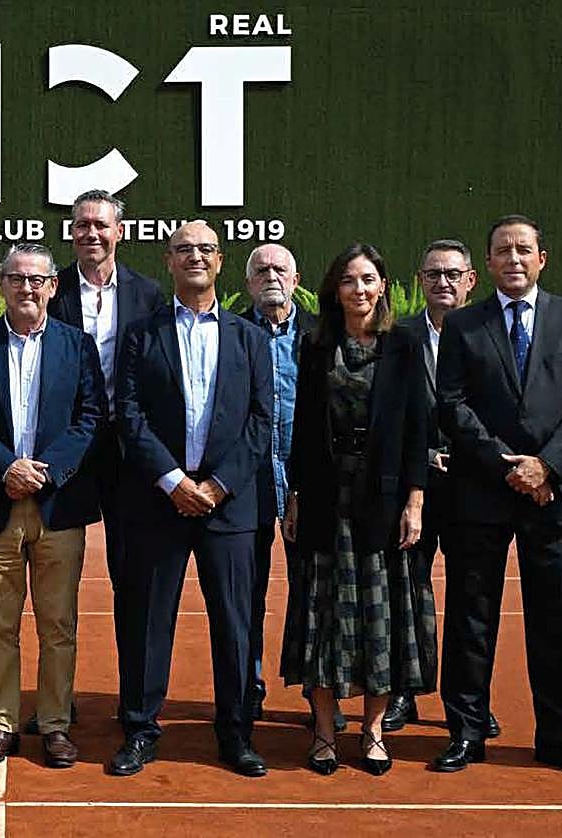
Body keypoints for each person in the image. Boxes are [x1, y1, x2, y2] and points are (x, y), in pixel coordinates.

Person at [433, 215, 562, 776]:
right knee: (471, 618)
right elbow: (452, 403)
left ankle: (557, 736)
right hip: (481, 491)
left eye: (523, 249)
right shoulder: (464, 325)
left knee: (552, 619)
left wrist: (546, 466)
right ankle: (466, 733)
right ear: (487, 263)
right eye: (503, 250)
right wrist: (505, 464)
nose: (513, 258)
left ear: (541, 258)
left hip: (552, 494)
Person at [109, 221, 273, 778]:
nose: (195, 257)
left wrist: (218, 485)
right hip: (159, 501)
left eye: (205, 249)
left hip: (230, 504)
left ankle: (236, 734)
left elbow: (261, 419)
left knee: (235, 622)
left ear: (220, 261)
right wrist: (173, 481)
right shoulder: (141, 334)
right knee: (147, 620)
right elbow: (129, 414)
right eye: (184, 249)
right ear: (169, 260)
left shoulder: (250, 337)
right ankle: (139, 729)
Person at [0, 243, 105, 769]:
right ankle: (1, 724)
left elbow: (90, 417)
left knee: (58, 626)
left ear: (53, 287)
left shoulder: (77, 346)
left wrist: (47, 471)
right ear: (2, 285)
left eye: (37, 279)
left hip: (58, 506)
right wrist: (5, 469)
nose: (27, 288)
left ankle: (55, 725)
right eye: (17, 278)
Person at [281, 242, 430, 777]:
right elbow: (302, 428)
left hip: (382, 503)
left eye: (368, 279)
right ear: (335, 289)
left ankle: (372, 732)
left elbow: (418, 427)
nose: (359, 289)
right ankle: (324, 732)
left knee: (379, 619)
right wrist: (294, 493)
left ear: (383, 285)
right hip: (326, 498)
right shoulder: (316, 344)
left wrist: (414, 499)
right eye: (349, 280)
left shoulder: (404, 344)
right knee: (321, 617)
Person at [46, 190, 162, 729]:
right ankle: (55, 699)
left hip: (128, 453)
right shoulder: (52, 289)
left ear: (120, 231)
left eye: (100, 225)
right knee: (55, 583)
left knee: (132, 580)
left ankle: (134, 703)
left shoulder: (149, 293)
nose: (91, 233)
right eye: (81, 225)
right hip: (67, 449)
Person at [385, 239, 500, 738]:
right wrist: (424, 456)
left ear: (471, 280)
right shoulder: (399, 337)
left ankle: (470, 703)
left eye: (453, 274)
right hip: (413, 488)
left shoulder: (488, 333)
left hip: (474, 488)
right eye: (433, 274)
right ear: (420, 281)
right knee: (407, 592)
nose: (443, 283)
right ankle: (403, 691)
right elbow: (388, 412)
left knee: (472, 601)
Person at [238, 243, 342, 731]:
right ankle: (247, 687)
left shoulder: (323, 336)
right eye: (261, 270)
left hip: (311, 486)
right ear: (248, 283)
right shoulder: (232, 332)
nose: (271, 276)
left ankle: (320, 693)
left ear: (296, 280)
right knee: (247, 595)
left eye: (280, 269)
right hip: (249, 485)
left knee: (317, 595)